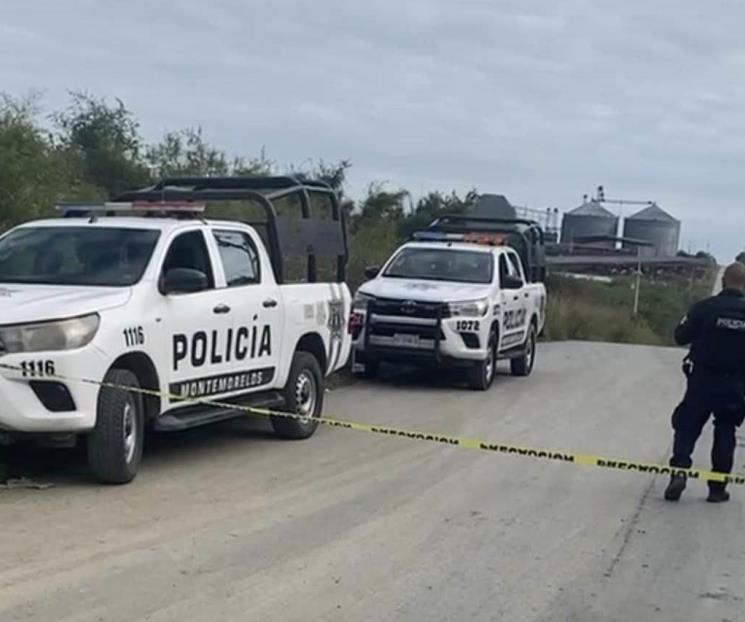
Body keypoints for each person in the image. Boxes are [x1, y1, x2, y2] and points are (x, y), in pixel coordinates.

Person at [665, 262, 745, 503]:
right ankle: (717, 488)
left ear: (723, 281)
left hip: (702, 379)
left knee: (687, 426)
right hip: (735, 385)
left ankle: (679, 472)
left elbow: (680, 336)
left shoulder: (704, 308)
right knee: (725, 431)